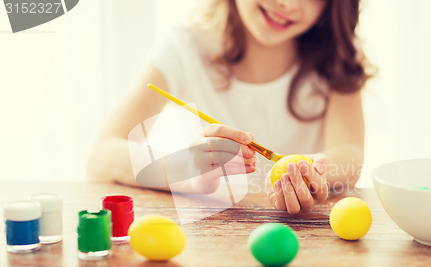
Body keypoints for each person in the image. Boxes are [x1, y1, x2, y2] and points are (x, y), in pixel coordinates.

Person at [87, 0, 372, 214]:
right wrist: (186, 171)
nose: (288, 4)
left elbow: (350, 156)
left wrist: (313, 172)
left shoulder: (338, 55)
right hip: (215, 231)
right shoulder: (185, 47)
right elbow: (101, 158)